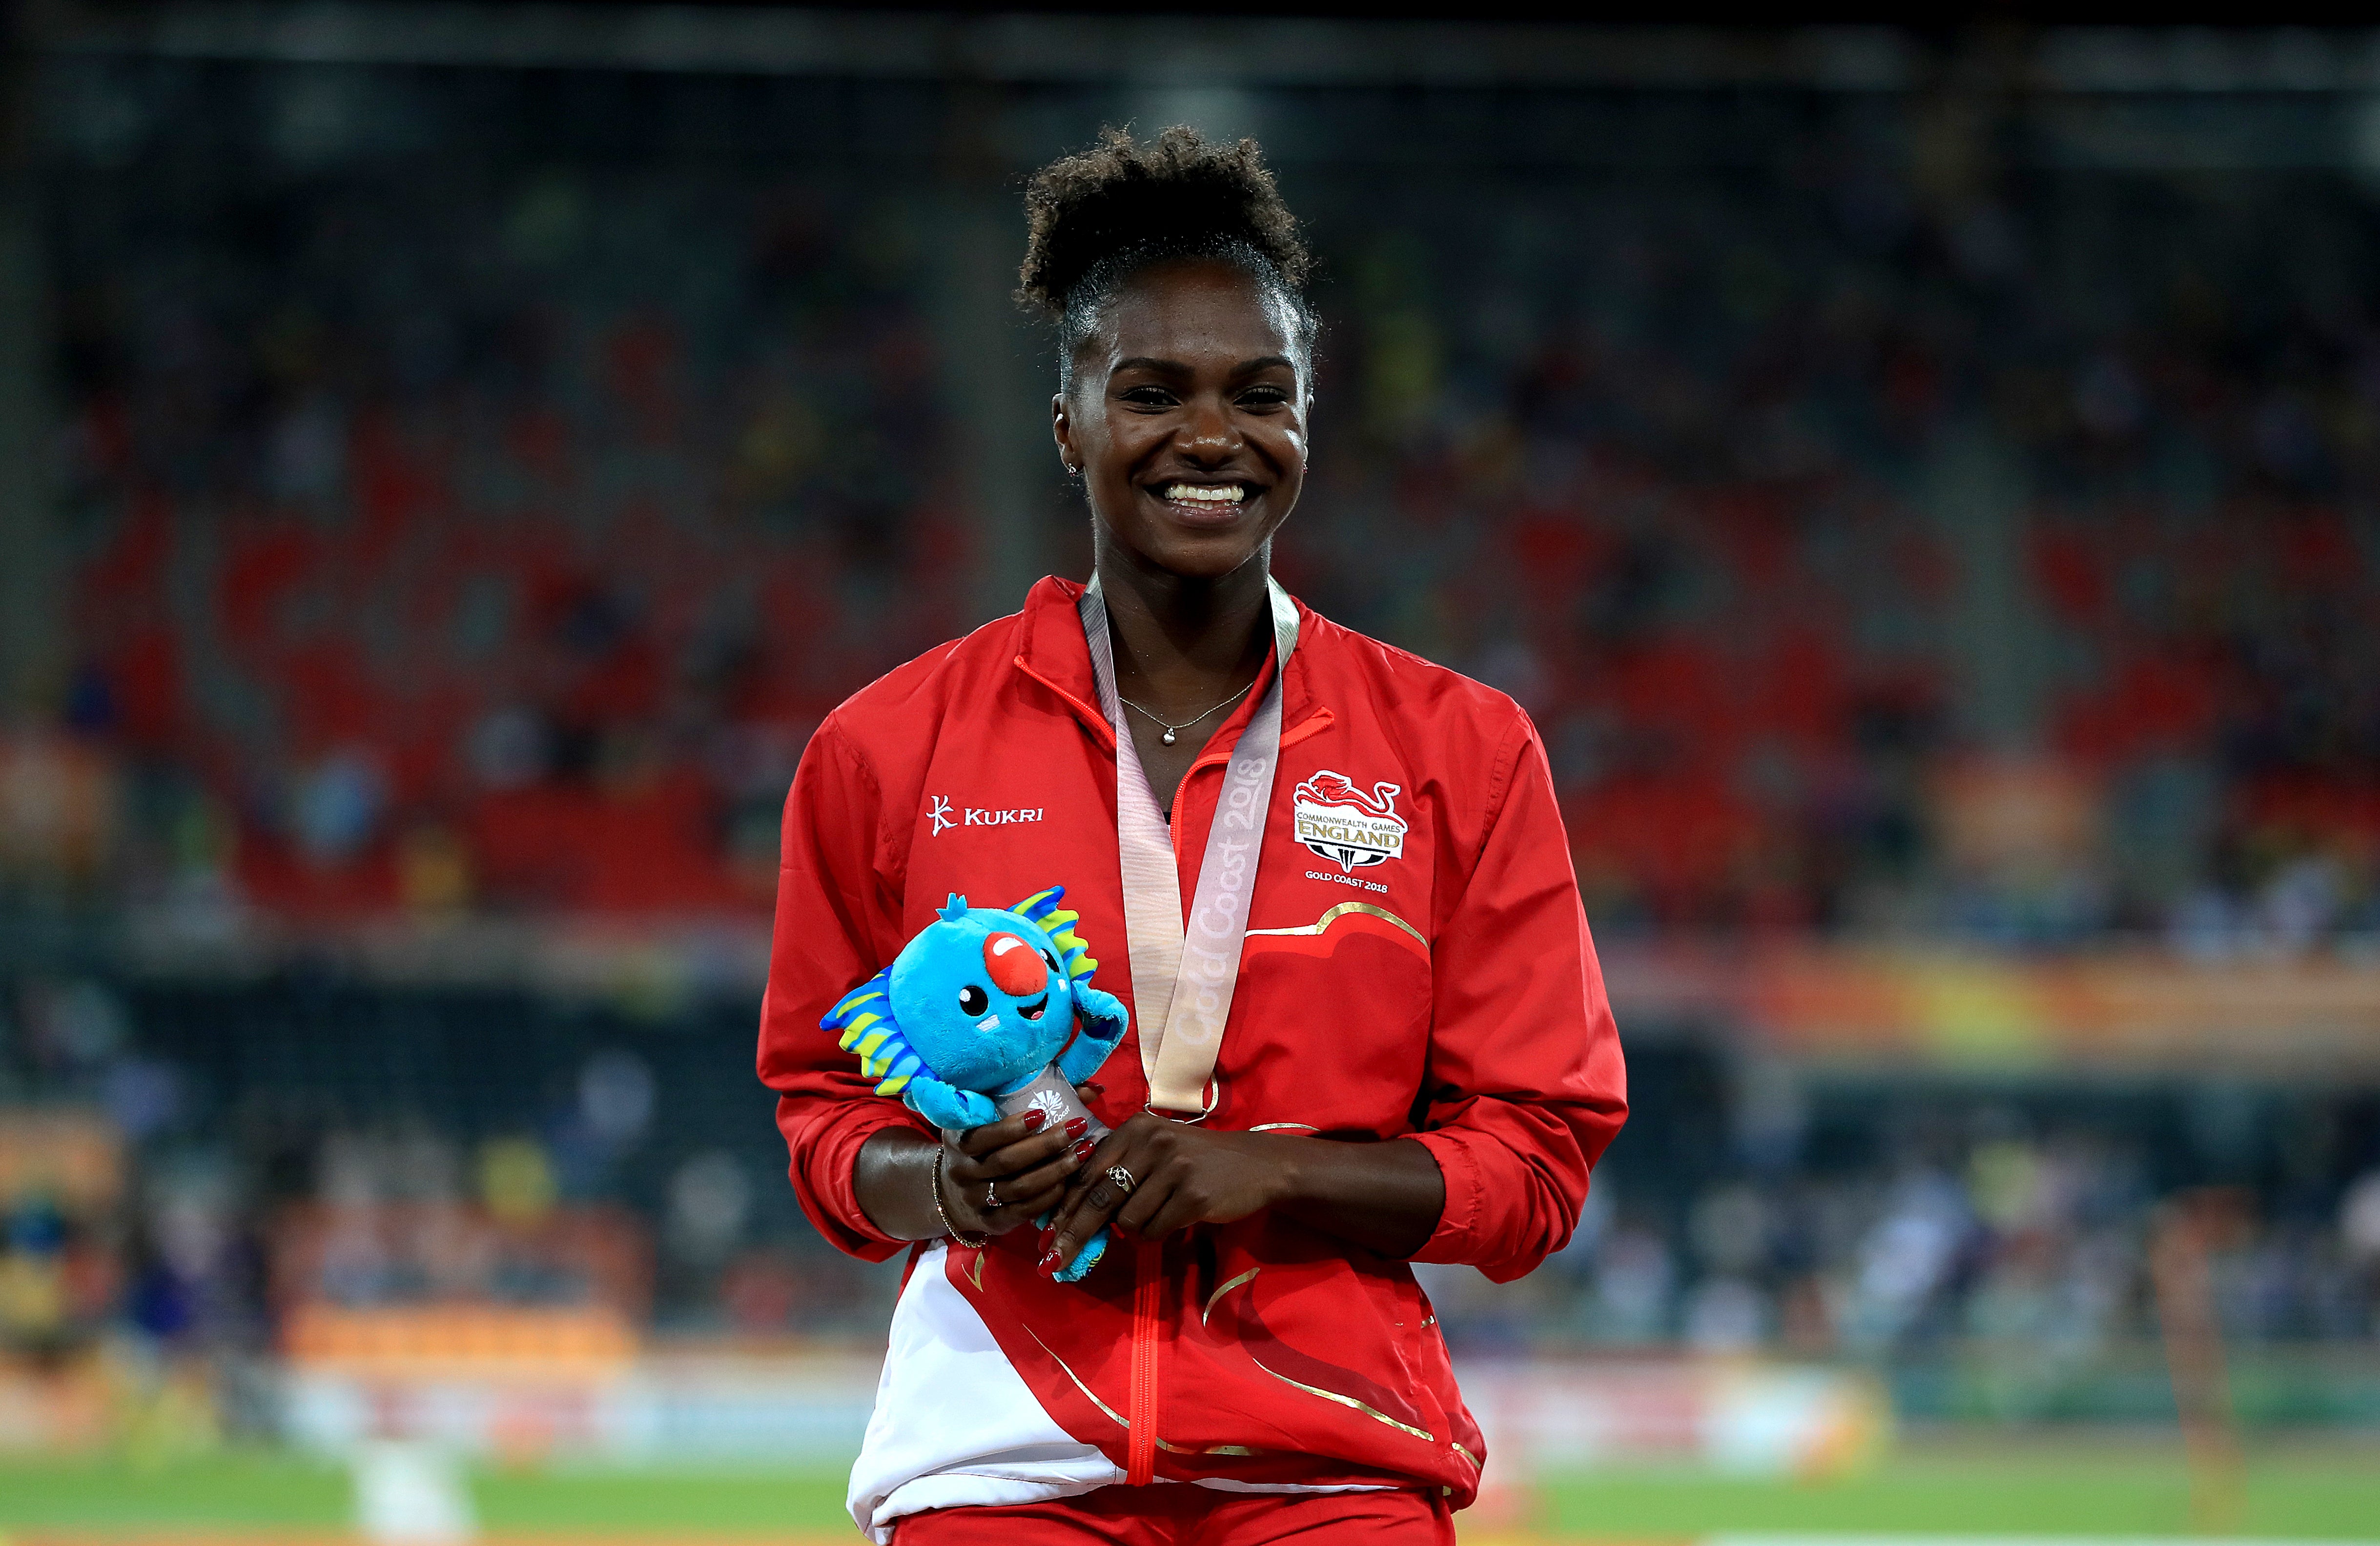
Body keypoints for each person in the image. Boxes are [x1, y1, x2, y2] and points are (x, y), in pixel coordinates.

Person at [757, 126, 1625, 1545]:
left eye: (1258, 396)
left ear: (1305, 420)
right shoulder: (886, 747)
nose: (1210, 438)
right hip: (1001, 1450)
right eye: (1151, 393)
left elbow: (1533, 1168)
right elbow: (822, 1115)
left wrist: (1271, 1167)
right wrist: (946, 1186)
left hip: (1332, 1461)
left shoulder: (1457, 749)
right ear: (1069, 424)